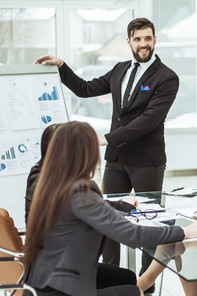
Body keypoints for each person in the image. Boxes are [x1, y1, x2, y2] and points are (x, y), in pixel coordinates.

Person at [35, 17, 180, 291]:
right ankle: (112, 284)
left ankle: (143, 287)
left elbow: (149, 119)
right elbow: (85, 89)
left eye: (148, 38)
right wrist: (62, 67)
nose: (143, 44)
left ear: (155, 40)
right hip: (116, 161)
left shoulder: (167, 77)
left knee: (149, 225)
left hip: (147, 162)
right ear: (129, 42)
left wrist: (108, 138)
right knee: (106, 221)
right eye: (137, 39)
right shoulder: (119, 70)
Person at [23, 121, 197, 296]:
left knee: (126, 278)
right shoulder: (78, 190)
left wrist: (115, 217)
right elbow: (133, 236)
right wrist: (184, 232)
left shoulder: (49, 183)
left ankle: (146, 281)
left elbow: (88, 214)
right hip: (62, 289)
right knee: (134, 292)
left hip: (42, 280)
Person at [24, 123, 139, 290]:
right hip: (57, 272)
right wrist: (123, 207)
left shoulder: (45, 173)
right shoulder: (46, 179)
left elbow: (87, 205)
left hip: (53, 265)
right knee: (131, 287)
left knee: (126, 277)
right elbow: (85, 206)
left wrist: (121, 207)